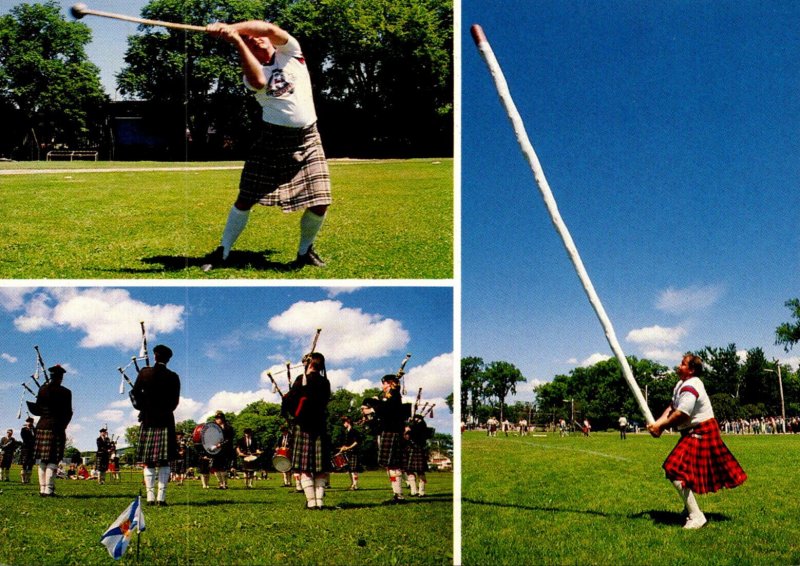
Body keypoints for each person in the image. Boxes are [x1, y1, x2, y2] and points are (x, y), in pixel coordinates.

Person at [202, 19, 331, 271]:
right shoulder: (251, 74)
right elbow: (260, 82)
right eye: (250, 40)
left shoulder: (291, 52)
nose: (256, 38)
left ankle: (305, 252)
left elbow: (270, 30)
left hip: (309, 138)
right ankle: (223, 251)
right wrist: (238, 41)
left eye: (255, 34)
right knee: (245, 198)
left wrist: (231, 28)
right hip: (272, 141)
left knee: (321, 201)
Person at [647, 354, 748, 529]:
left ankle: (696, 516)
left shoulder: (692, 386)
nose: (678, 366)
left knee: (674, 469)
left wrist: (661, 427)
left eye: (683, 364)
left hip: (702, 431)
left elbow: (682, 414)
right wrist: (658, 423)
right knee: (683, 472)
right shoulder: (680, 385)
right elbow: (672, 407)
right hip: (691, 432)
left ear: (691, 369)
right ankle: (689, 510)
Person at [132, 344, 181, 506]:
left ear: (155, 356)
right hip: (166, 420)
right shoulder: (174, 377)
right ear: (168, 359)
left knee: (149, 461)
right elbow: (175, 402)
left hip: (148, 419)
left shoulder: (145, 372)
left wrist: (143, 407)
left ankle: (150, 498)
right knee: (165, 461)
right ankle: (161, 498)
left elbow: (134, 394)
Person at [283, 352, 331, 509]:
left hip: (303, 427)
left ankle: (311, 502)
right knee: (320, 468)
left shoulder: (301, 380)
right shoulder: (325, 382)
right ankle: (320, 501)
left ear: (309, 364)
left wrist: (286, 399)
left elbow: (290, 402)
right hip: (320, 427)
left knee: (305, 468)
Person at [362, 374, 408, 503]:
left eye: (384, 383)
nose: (382, 386)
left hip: (391, 432)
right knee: (390, 465)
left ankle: (399, 495)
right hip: (388, 431)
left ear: (390, 383)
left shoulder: (394, 395)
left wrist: (371, 407)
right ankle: (397, 494)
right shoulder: (390, 396)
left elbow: (386, 409)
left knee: (393, 464)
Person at [32, 364, 73, 496]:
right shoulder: (66, 392)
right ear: (61, 377)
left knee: (43, 460)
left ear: (51, 376)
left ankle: (42, 489)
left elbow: (37, 409)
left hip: (42, 425)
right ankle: (49, 490)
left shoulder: (43, 389)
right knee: (53, 459)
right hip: (56, 427)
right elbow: (68, 412)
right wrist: (64, 425)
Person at [404, 417, 431, 497]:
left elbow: (411, 434)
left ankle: (420, 492)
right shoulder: (417, 425)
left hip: (416, 449)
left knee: (419, 472)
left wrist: (409, 428)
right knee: (410, 471)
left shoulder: (420, 426)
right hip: (412, 450)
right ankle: (414, 491)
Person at [210, 411, 235, 489]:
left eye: (219, 418)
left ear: (223, 418)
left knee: (223, 468)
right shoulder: (213, 427)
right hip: (216, 450)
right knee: (216, 468)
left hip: (225, 450)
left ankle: (225, 483)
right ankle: (220, 483)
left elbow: (229, 439)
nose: (218, 419)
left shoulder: (228, 427)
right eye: (217, 418)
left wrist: (221, 444)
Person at [338, 416, 362, 490]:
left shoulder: (354, 431)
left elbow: (357, 442)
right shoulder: (346, 432)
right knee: (350, 469)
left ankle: (355, 485)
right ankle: (352, 484)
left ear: (348, 422)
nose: (343, 424)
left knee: (353, 469)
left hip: (354, 452)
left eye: (344, 422)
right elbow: (346, 442)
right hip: (348, 452)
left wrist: (348, 447)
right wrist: (343, 448)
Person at [19, 417, 36, 484]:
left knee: (31, 463)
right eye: (28, 422)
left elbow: (36, 437)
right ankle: (23, 479)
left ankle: (28, 478)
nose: (29, 423)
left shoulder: (34, 430)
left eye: (30, 422)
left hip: (33, 449)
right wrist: (32, 441)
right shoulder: (24, 429)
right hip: (25, 448)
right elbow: (24, 438)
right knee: (24, 463)